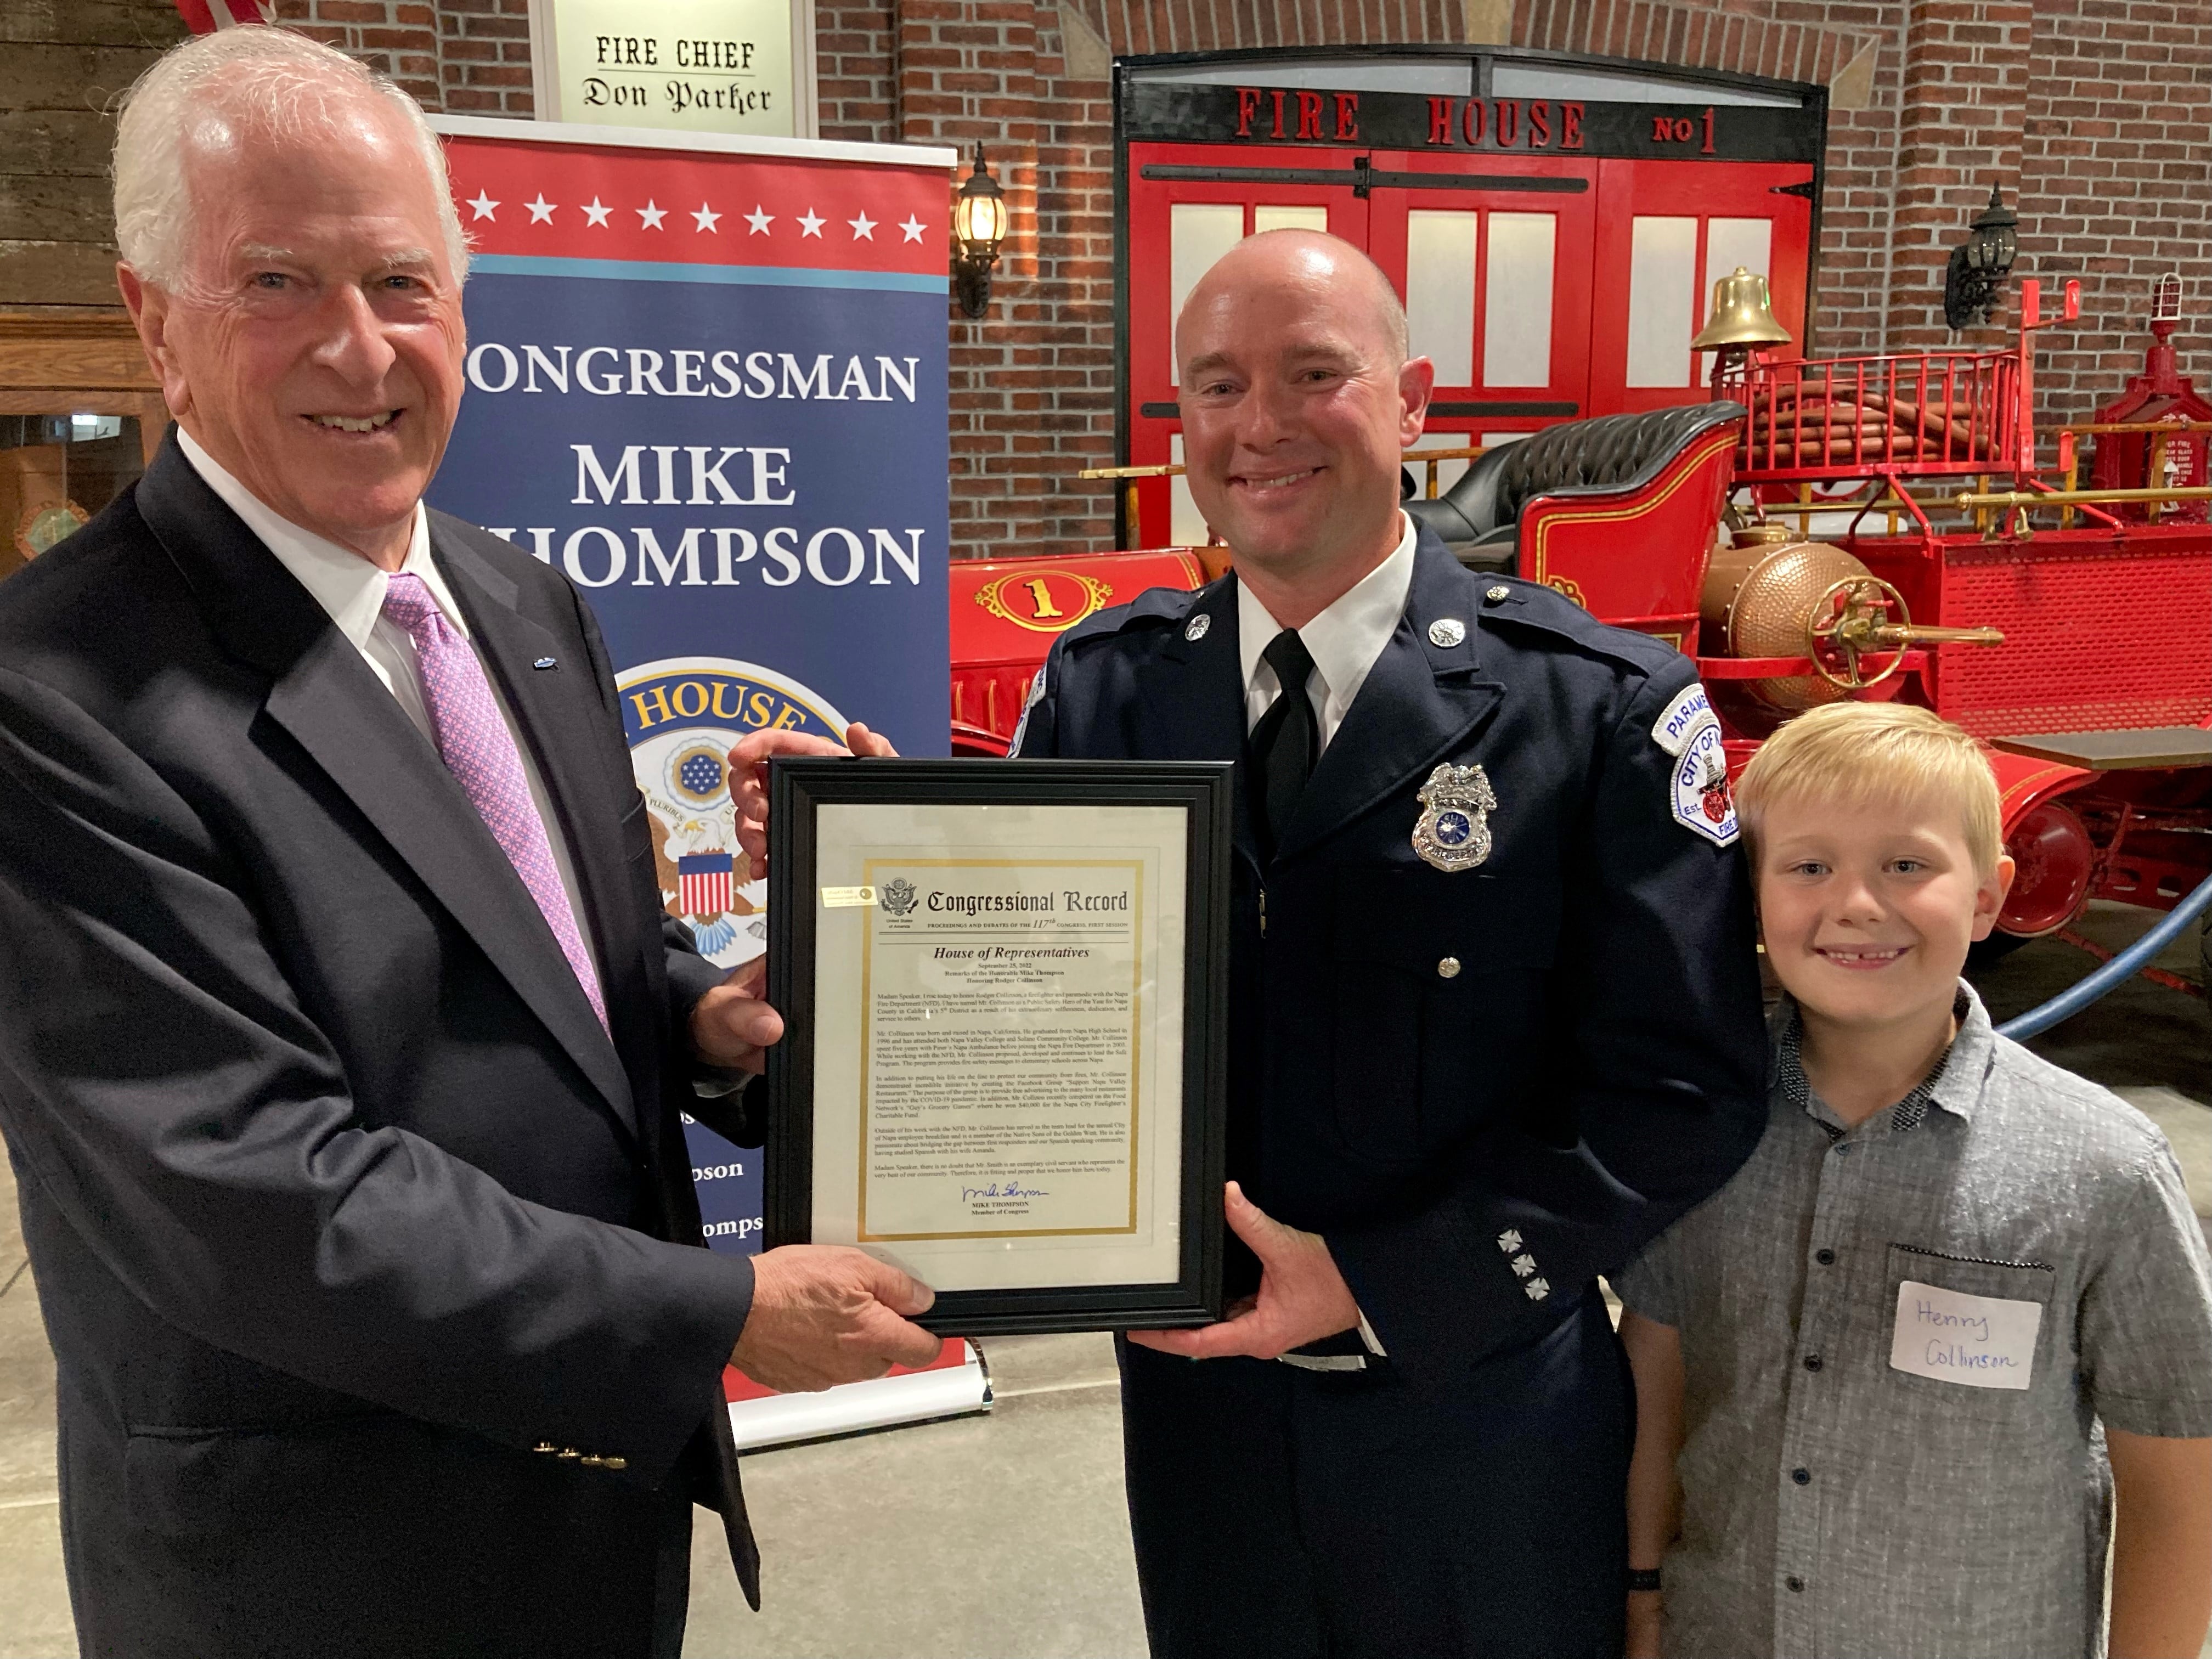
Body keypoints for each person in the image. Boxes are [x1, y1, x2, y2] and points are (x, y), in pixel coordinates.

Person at [0, 28, 939, 1659]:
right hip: (318, 1564)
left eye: (405, 283)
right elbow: (253, 1191)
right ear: (155, 322)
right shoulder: (53, 696)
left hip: (594, 1518)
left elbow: (571, 958)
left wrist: (712, 1015)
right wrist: (717, 1312)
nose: (362, 351)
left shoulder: (518, 602)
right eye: (277, 284)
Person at [735, 229, 1770, 1657]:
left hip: (1474, 1415)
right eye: (1216, 387)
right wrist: (857, 894)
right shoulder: (1102, 694)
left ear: (1414, 404)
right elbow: (1023, 1014)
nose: (1260, 425)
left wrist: (1385, 1279)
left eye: (1314, 375)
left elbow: (1687, 1092)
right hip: (1201, 1417)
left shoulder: (1591, 708)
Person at [1615, 701, 2212, 1659]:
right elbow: (1661, 1377)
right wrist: (1645, 1601)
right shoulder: (1699, 1135)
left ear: (1988, 896)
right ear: (1750, 900)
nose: (1856, 904)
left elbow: (2175, 1474)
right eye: (1809, 867)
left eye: (1907, 865)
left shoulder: (2103, 1171)